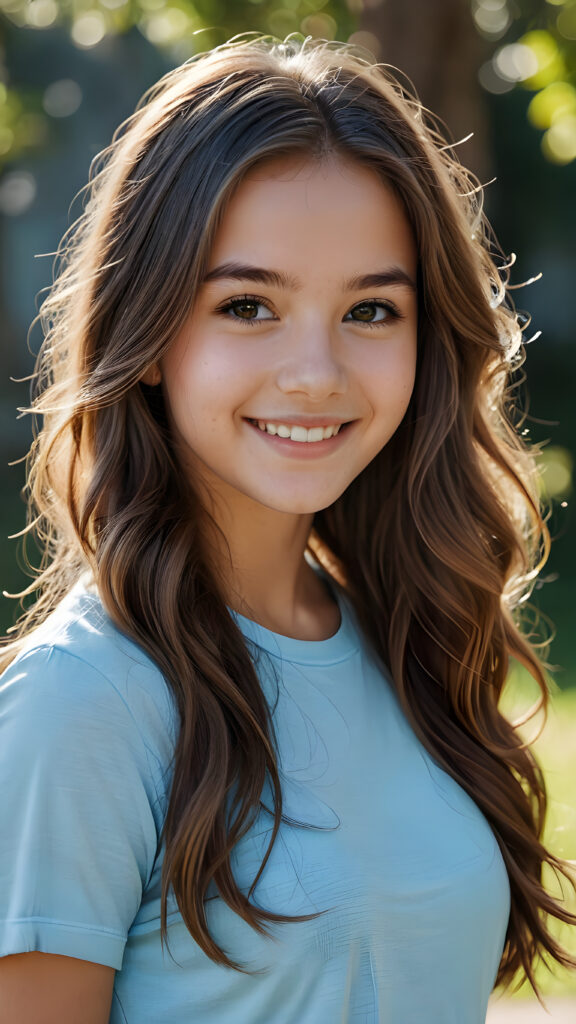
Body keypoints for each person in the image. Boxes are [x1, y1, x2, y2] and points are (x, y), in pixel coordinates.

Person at [0, 35, 574, 1024]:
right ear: (147, 334)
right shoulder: (80, 704)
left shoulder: (407, 640)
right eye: (248, 305)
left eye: (371, 311)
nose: (316, 373)